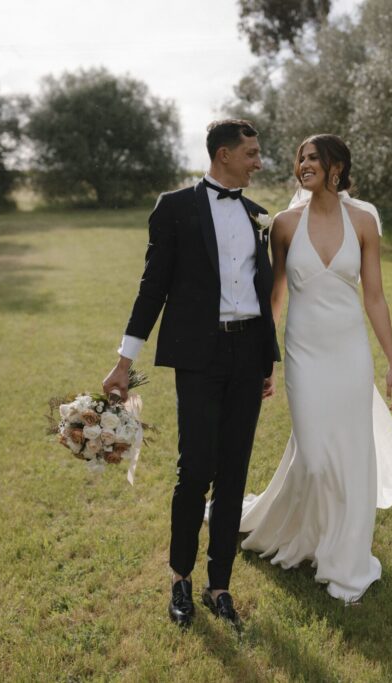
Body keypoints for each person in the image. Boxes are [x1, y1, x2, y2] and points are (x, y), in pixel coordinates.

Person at [102, 119, 280, 631]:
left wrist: (265, 360)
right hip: (199, 357)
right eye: (251, 153)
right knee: (195, 469)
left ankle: (219, 585)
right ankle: (180, 577)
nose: (259, 162)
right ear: (223, 154)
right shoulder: (174, 208)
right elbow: (151, 286)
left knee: (234, 472)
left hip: (248, 356)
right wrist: (124, 360)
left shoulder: (255, 214)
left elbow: (262, 295)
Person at [238, 134, 392, 603]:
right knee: (316, 459)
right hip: (303, 352)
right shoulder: (283, 224)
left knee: (353, 455)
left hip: (349, 352)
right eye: (300, 158)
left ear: (336, 166)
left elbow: (374, 296)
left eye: (313, 157)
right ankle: (306, 531)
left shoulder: (363, 222)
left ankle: (344, 557)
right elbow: (276, 297)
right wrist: (263, 357)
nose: (303, 164)